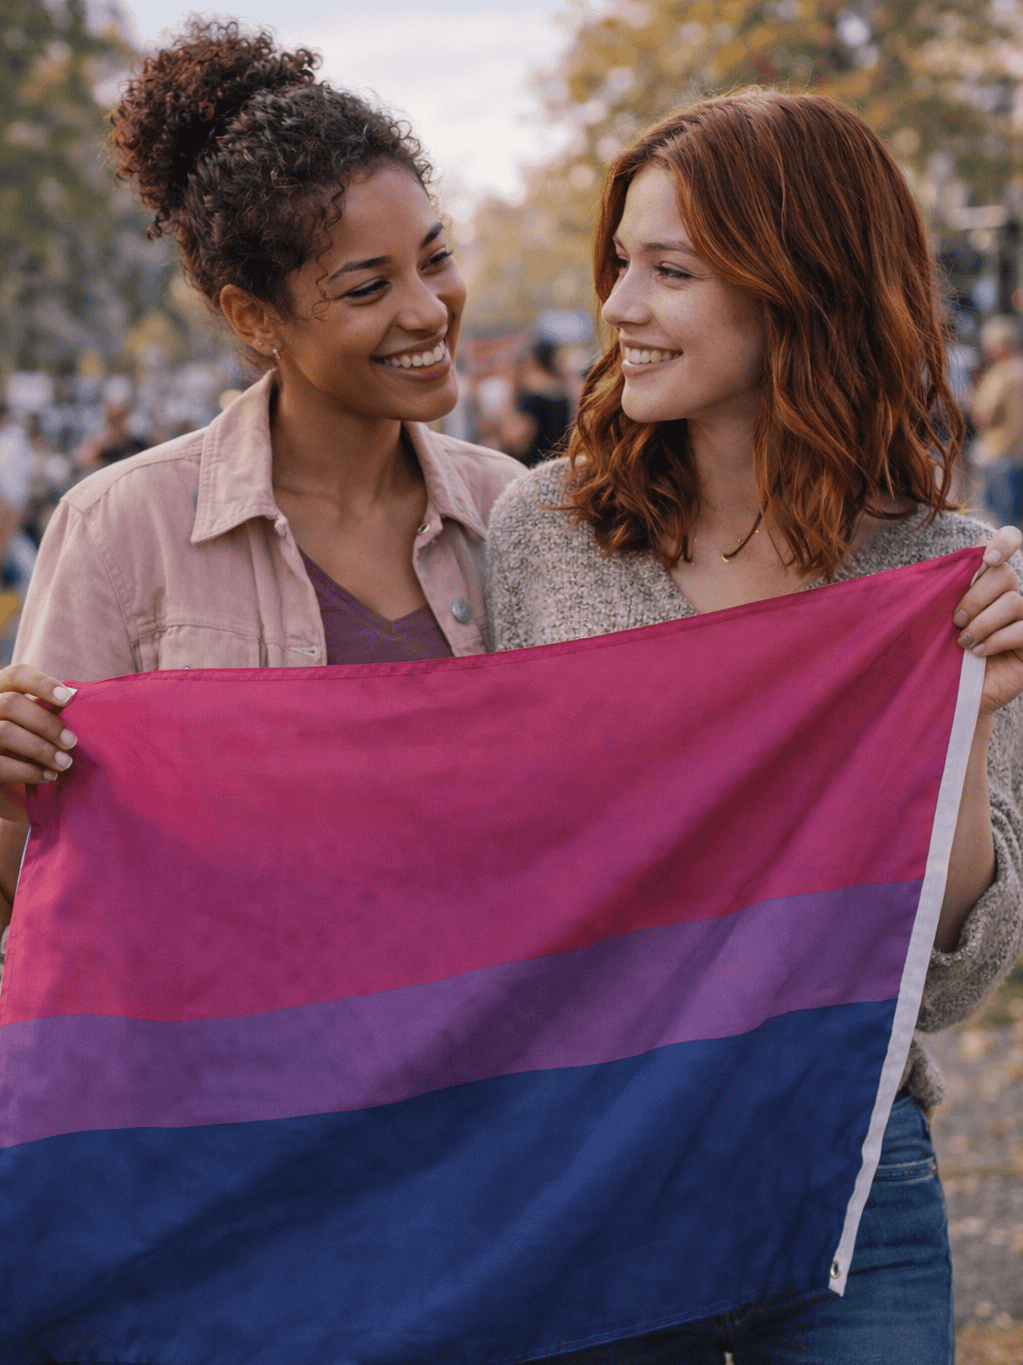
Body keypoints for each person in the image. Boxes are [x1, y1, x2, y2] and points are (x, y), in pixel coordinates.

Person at [485, 92, 1023, 1362]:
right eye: (622, 262)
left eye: (669, 271)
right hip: (593, 1164)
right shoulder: (545, 533)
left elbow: (950, 980)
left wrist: (962, 719)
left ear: (803, 290)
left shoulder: (945, 572)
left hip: (847, 1166)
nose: (619, 308)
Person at [0, 22, 521, 928]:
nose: (428, 308)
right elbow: (35, 887)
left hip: (490, 1059)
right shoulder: (123, 531)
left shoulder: (512, 510)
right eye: (367, 288)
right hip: (226, 1060)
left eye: (433, 258)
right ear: (255, 317)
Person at [970, 315, 1023, 525]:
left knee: (999, 523)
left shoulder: (1000, 374)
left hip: (999, 453)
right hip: (1017, 453)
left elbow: (984, 415)